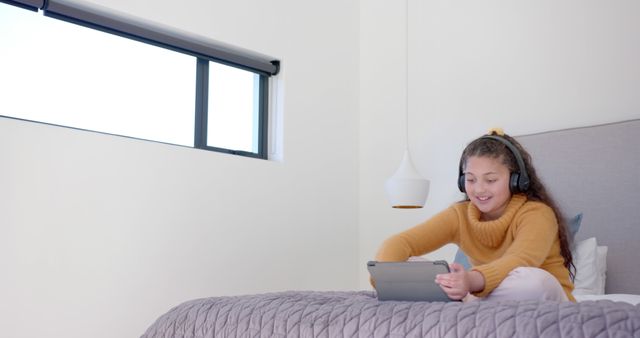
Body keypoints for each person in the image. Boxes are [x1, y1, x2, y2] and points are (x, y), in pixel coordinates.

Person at [374, 128, 575, 302]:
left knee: (532, 280)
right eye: (471, 180)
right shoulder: (460, 215)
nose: (479, 189)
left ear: (516, 181)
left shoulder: (537, 214)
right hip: (482, 292)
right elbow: (400, 242)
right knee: (409, 267)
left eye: (490, 180)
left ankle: (468, 300)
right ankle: (467, 299)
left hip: (546, 297)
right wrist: (384, 279)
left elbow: (518, 259)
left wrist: (470, 281)